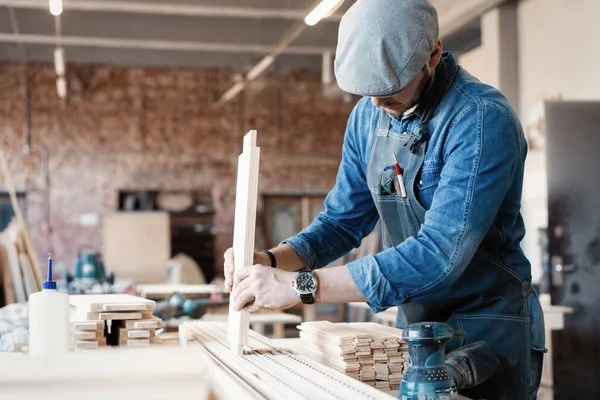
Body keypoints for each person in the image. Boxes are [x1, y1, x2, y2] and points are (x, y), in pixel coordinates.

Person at [224, 1, 546, 399]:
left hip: (487, 323)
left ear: (433, 54)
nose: (377, 103)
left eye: (389, 88)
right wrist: (270, 261)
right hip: (416, 323)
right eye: (366, 91)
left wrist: (303, 285)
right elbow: (341, 222)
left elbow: (438, 254)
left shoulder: (480, 120)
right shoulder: (367, 117)